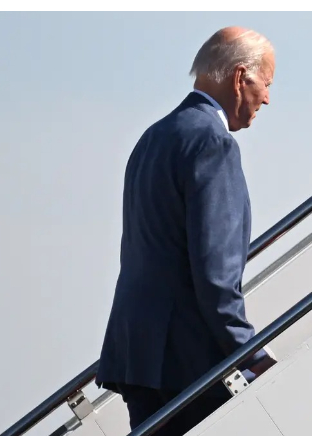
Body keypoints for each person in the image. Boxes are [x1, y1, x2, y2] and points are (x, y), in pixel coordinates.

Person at [95, 26, 277, 436]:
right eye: (266, 84)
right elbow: (215, 275)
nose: (266, 97)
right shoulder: (213, 143)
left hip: (136, 352)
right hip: (186, 360)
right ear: (239, 77)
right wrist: (250, 353)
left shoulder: (153, 137)